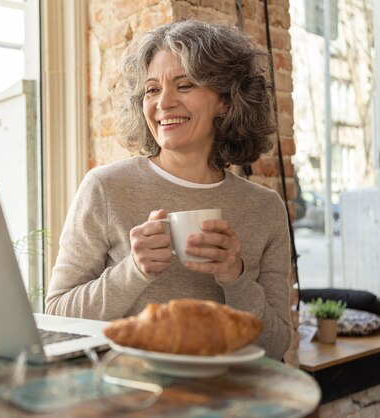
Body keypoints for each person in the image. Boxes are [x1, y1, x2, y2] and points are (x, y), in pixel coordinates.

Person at [45, 19, 292, 360]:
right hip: (132, 396)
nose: (164, 102)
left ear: (226, 100)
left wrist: (234, 276)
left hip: (229, 400)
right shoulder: (105, 188)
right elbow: (57, 317)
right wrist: (134, 270)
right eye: (152, 89)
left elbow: (276, 345)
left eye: (185, 85)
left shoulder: (265, 208)